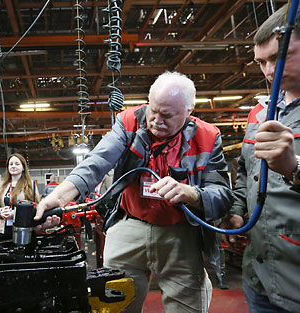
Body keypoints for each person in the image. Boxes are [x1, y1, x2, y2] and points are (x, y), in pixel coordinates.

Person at [36, 71, 233, 313]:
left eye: (167, 115)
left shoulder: (208, 137)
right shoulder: (129, 121)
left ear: (188, 111)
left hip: (180, 233)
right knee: (114, 304)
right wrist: (58, 197)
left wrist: (190, 193)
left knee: (188, 306)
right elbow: (97, 162)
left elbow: (222, 195)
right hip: (129, 225)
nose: (156, 120)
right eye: (153, 110)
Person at [220, 5, 300, 312]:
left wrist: (294, 168)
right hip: (260, 277)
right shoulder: (260, 111)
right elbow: (245, 174)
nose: (268, 70)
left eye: (278, 58)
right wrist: (237, 210)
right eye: (260, 62)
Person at [0, 153, 40, 235]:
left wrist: (13, 214)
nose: (13, 166)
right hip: (4, 229)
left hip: (23, 229)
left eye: (17, 164)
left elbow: (36, 208)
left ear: (23, 168)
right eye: (11, 164)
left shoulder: (31, 185)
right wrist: (1, 212)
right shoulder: (2, 185)